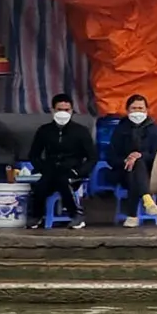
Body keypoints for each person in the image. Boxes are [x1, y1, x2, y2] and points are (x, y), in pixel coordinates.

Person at [26, 92, 95, 230]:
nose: (63, 113)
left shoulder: (81, 131)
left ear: (72, 111)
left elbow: (92, 157)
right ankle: (36, 216)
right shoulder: (44, 131)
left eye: (66, 110)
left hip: (72, 172)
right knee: (40, 186)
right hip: (50, 170)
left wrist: (79, 171)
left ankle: (76, 215)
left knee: (65, 182)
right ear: (52, 110)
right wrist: (42, 168)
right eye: (59, 110)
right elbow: (34, 155)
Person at [107, 94, 157, 227]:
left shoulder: (154, 129)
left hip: (148, 173)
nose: (137, 111)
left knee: (137, 166)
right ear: (127, 110)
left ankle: (132, 216)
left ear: (146, 110)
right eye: (134, 108)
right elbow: (112, 157)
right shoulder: (120, 129)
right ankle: (147, 200)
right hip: (122, 171)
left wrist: (139, 156)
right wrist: (127, 159)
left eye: (140, 108)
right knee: (133, 169)